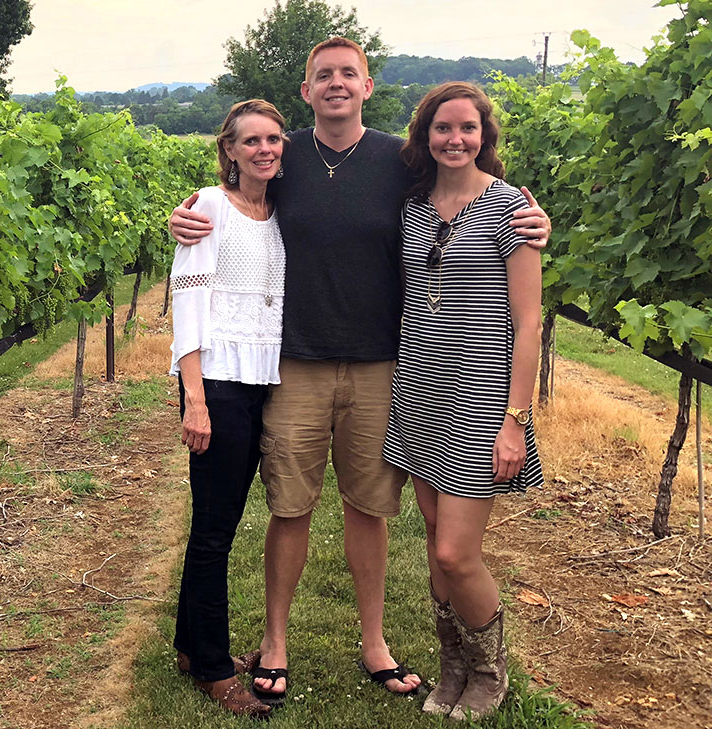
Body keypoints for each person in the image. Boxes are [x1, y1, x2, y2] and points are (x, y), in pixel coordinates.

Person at [168, 37, 551, 703]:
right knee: (290, 506)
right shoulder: (281, 155)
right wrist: (181, 218)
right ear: (306, 90)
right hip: (297, 365)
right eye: (324, 75)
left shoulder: (399, 161)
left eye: (349, 73)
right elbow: (229, 206)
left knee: (367, 507)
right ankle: (277, 641)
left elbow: (468, 195)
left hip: (380, 365)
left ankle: (374, 642)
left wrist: (533, 221)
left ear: (368, 86)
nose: (337, 83)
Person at [383, 81, 544, 721]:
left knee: (457, 552)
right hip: (416, 396)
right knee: (433, 541)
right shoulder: (412, 205)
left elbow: (527, 324)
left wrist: (515, 421)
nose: (455, 139)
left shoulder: (511, 210)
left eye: (467, 129)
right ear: (425, 136)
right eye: (442, 128)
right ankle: (451, 671)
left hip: (481, 398)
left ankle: (490, 671)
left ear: (485, 136)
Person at [169, 98, 288, 718]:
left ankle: (191, 644)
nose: (265, 149)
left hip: (260, 379)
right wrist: (195, 398)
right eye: (252, 142)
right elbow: (186, 296)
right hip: (216, 381)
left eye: (273, 139)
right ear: (230, 151)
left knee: (217, 523)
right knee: (215, 531)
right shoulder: (210, 206)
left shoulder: (277, 210)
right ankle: (215, 670)